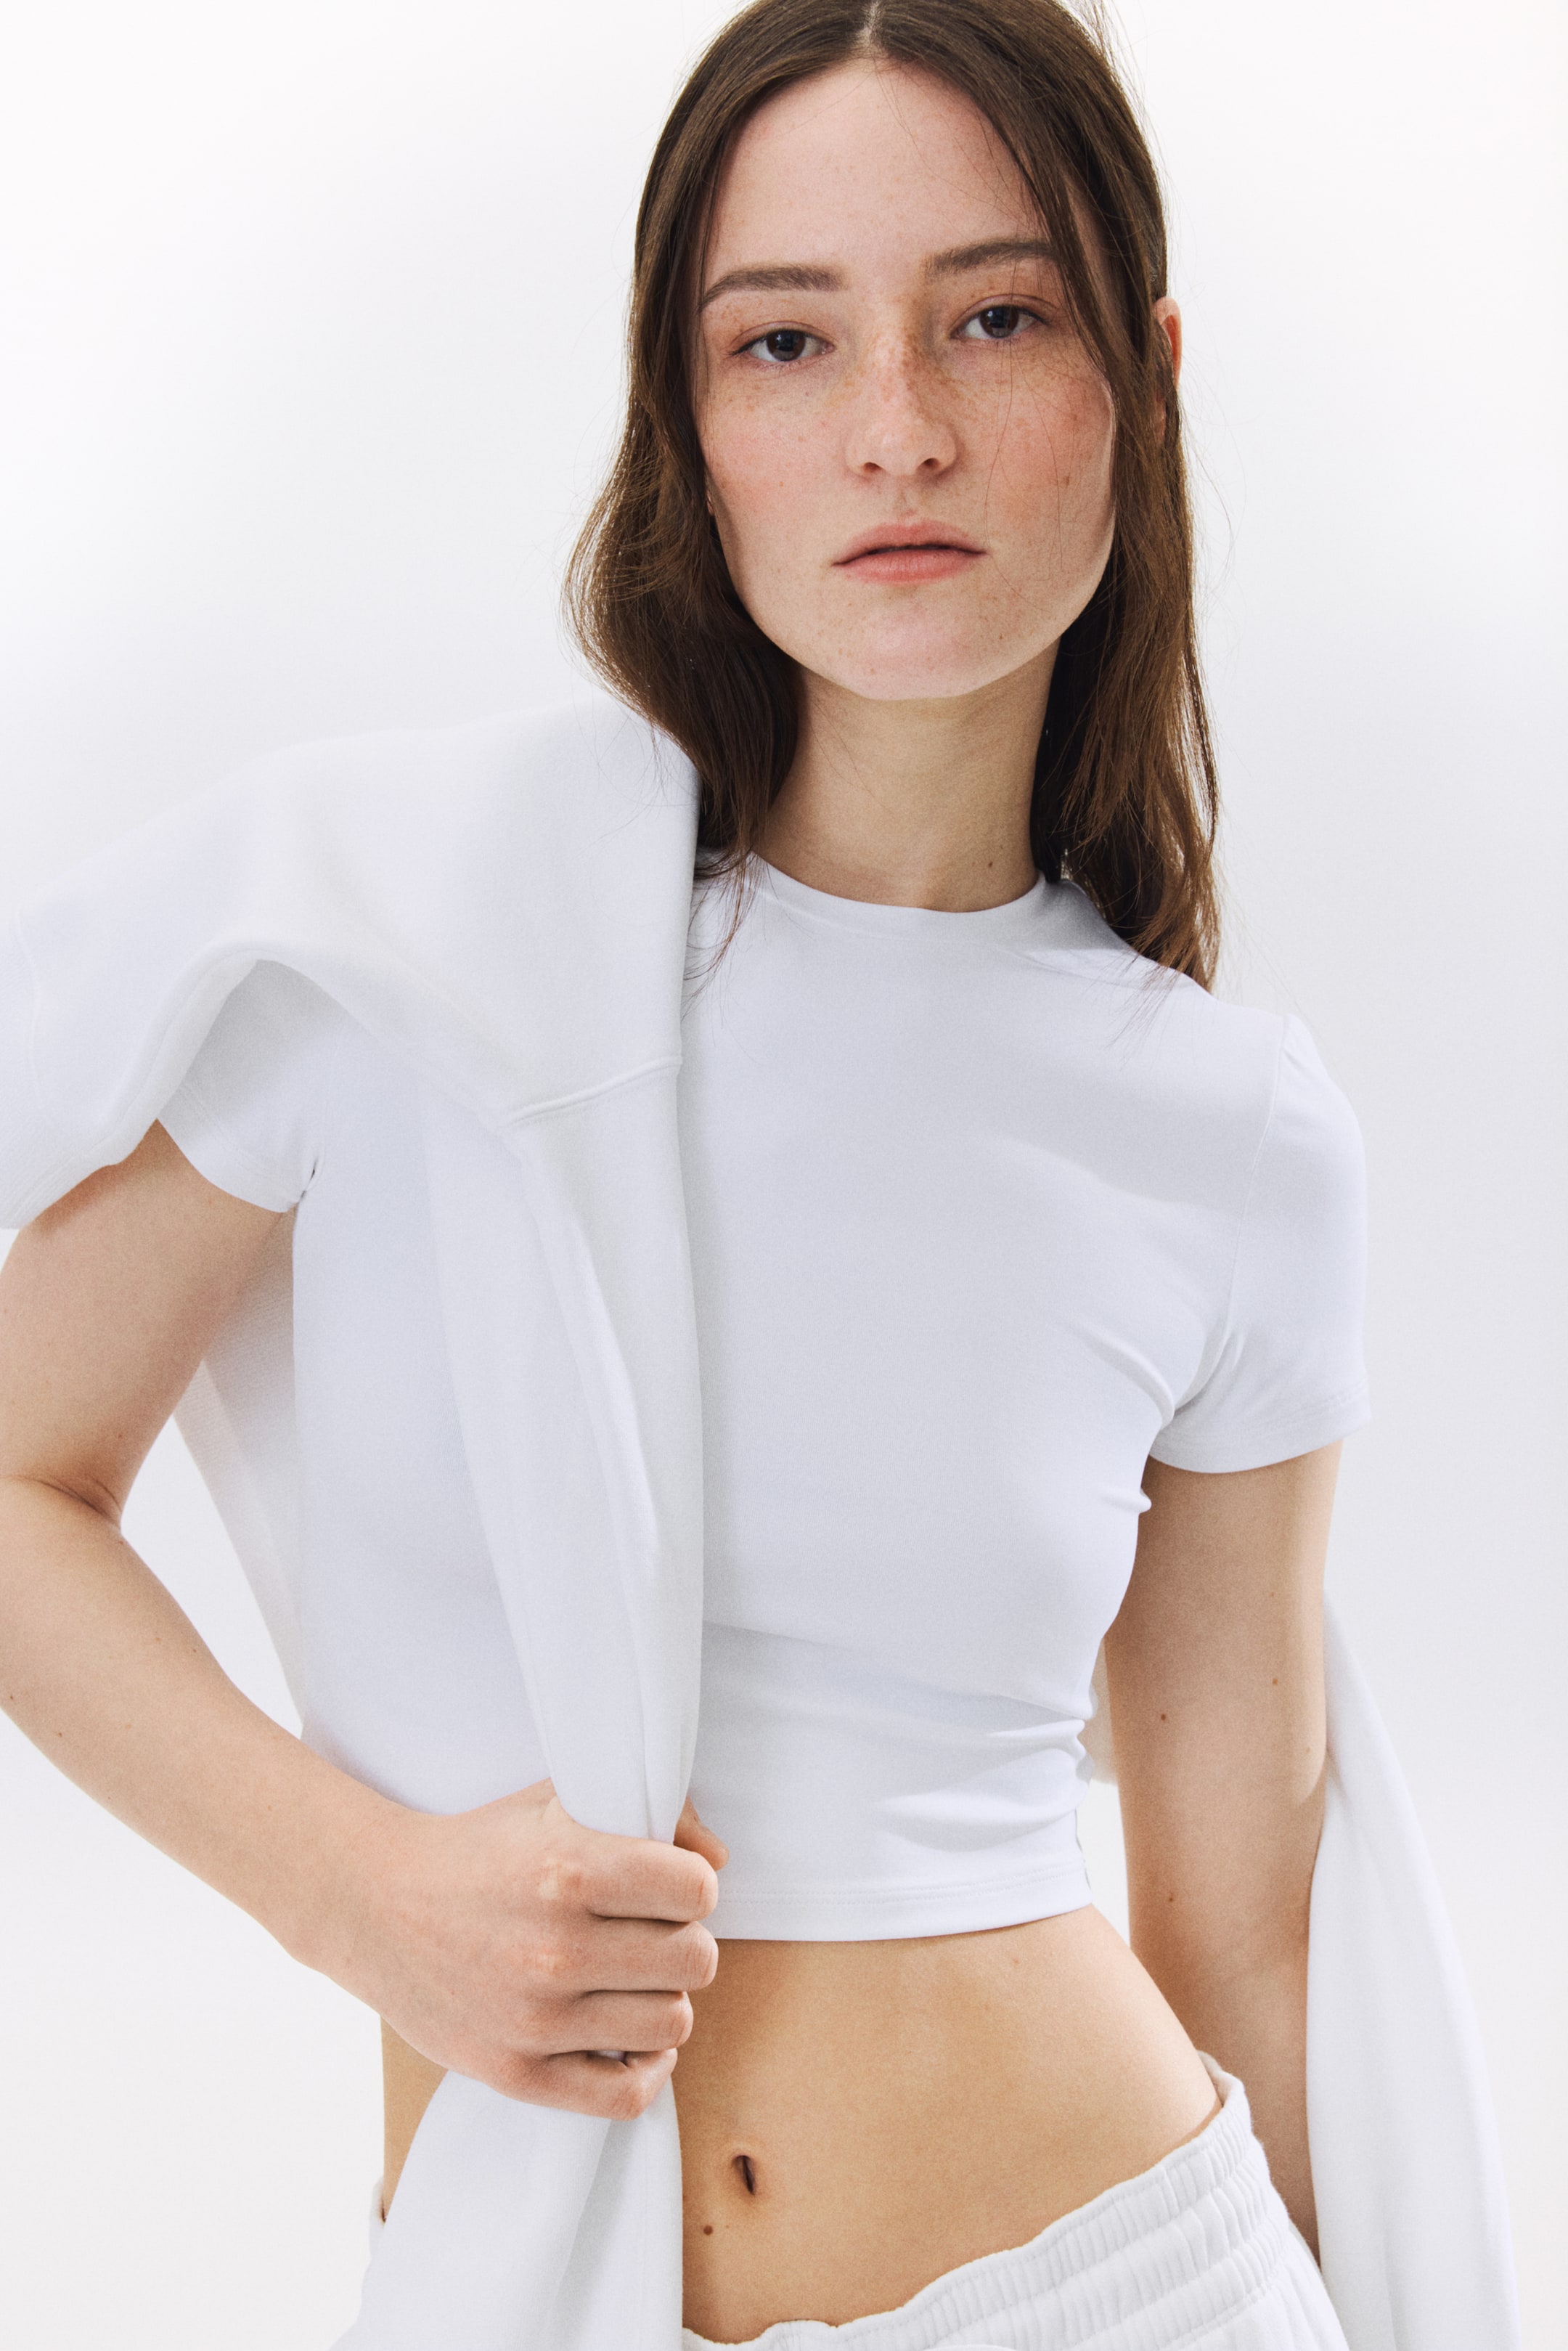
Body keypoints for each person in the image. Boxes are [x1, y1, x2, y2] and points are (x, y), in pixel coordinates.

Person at [0, 3, 1518, 2347]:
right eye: (786, 341)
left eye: (995, 318)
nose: (898, 426)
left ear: (1143, 379)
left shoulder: (1228, 1134)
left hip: (1125, 2292)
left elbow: (1245, 1935)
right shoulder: (409, 960)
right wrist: (359, 1898)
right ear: (687, 424)